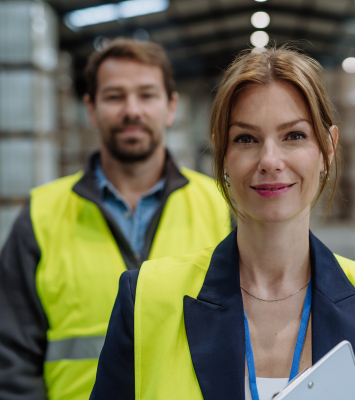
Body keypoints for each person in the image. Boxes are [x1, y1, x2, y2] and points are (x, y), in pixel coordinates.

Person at [90, 46, 355, 400]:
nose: (270, 160)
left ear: (328, 149)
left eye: (294, 136)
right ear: (223, 155)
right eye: (246, 139)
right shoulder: (146, 300)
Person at [0, 38, 230, 400]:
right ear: (91, 109)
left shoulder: (220, 206)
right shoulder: (41, 215)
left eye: (147, 95)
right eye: (114, 96)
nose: (132, 110)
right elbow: (9, 356)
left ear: (171, 107)